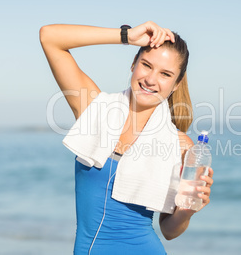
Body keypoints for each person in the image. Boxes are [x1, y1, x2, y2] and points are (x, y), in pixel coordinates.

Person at [39, 21, 214, 254]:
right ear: (133, 64)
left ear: (175, 84)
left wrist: (187, 211)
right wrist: (127, 36)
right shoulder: (94, 108)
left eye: (165, 74)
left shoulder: (181, 145)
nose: (151, 80)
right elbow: (49, 37)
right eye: (146, 65)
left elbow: (170, 231)